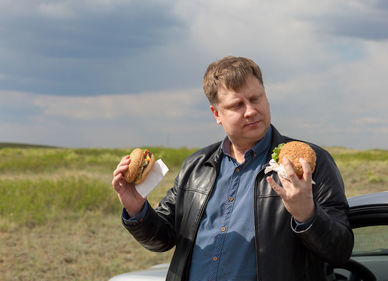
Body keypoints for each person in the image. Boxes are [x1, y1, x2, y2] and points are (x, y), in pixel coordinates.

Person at [112, 56, 353, 281]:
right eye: (237, 105)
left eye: (256, 98)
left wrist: (307, 215)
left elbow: (340, 250)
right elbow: (163, 239)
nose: (251, 111)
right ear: (216, 113)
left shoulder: (309, 164)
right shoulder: (196, 167)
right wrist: (137, 209)